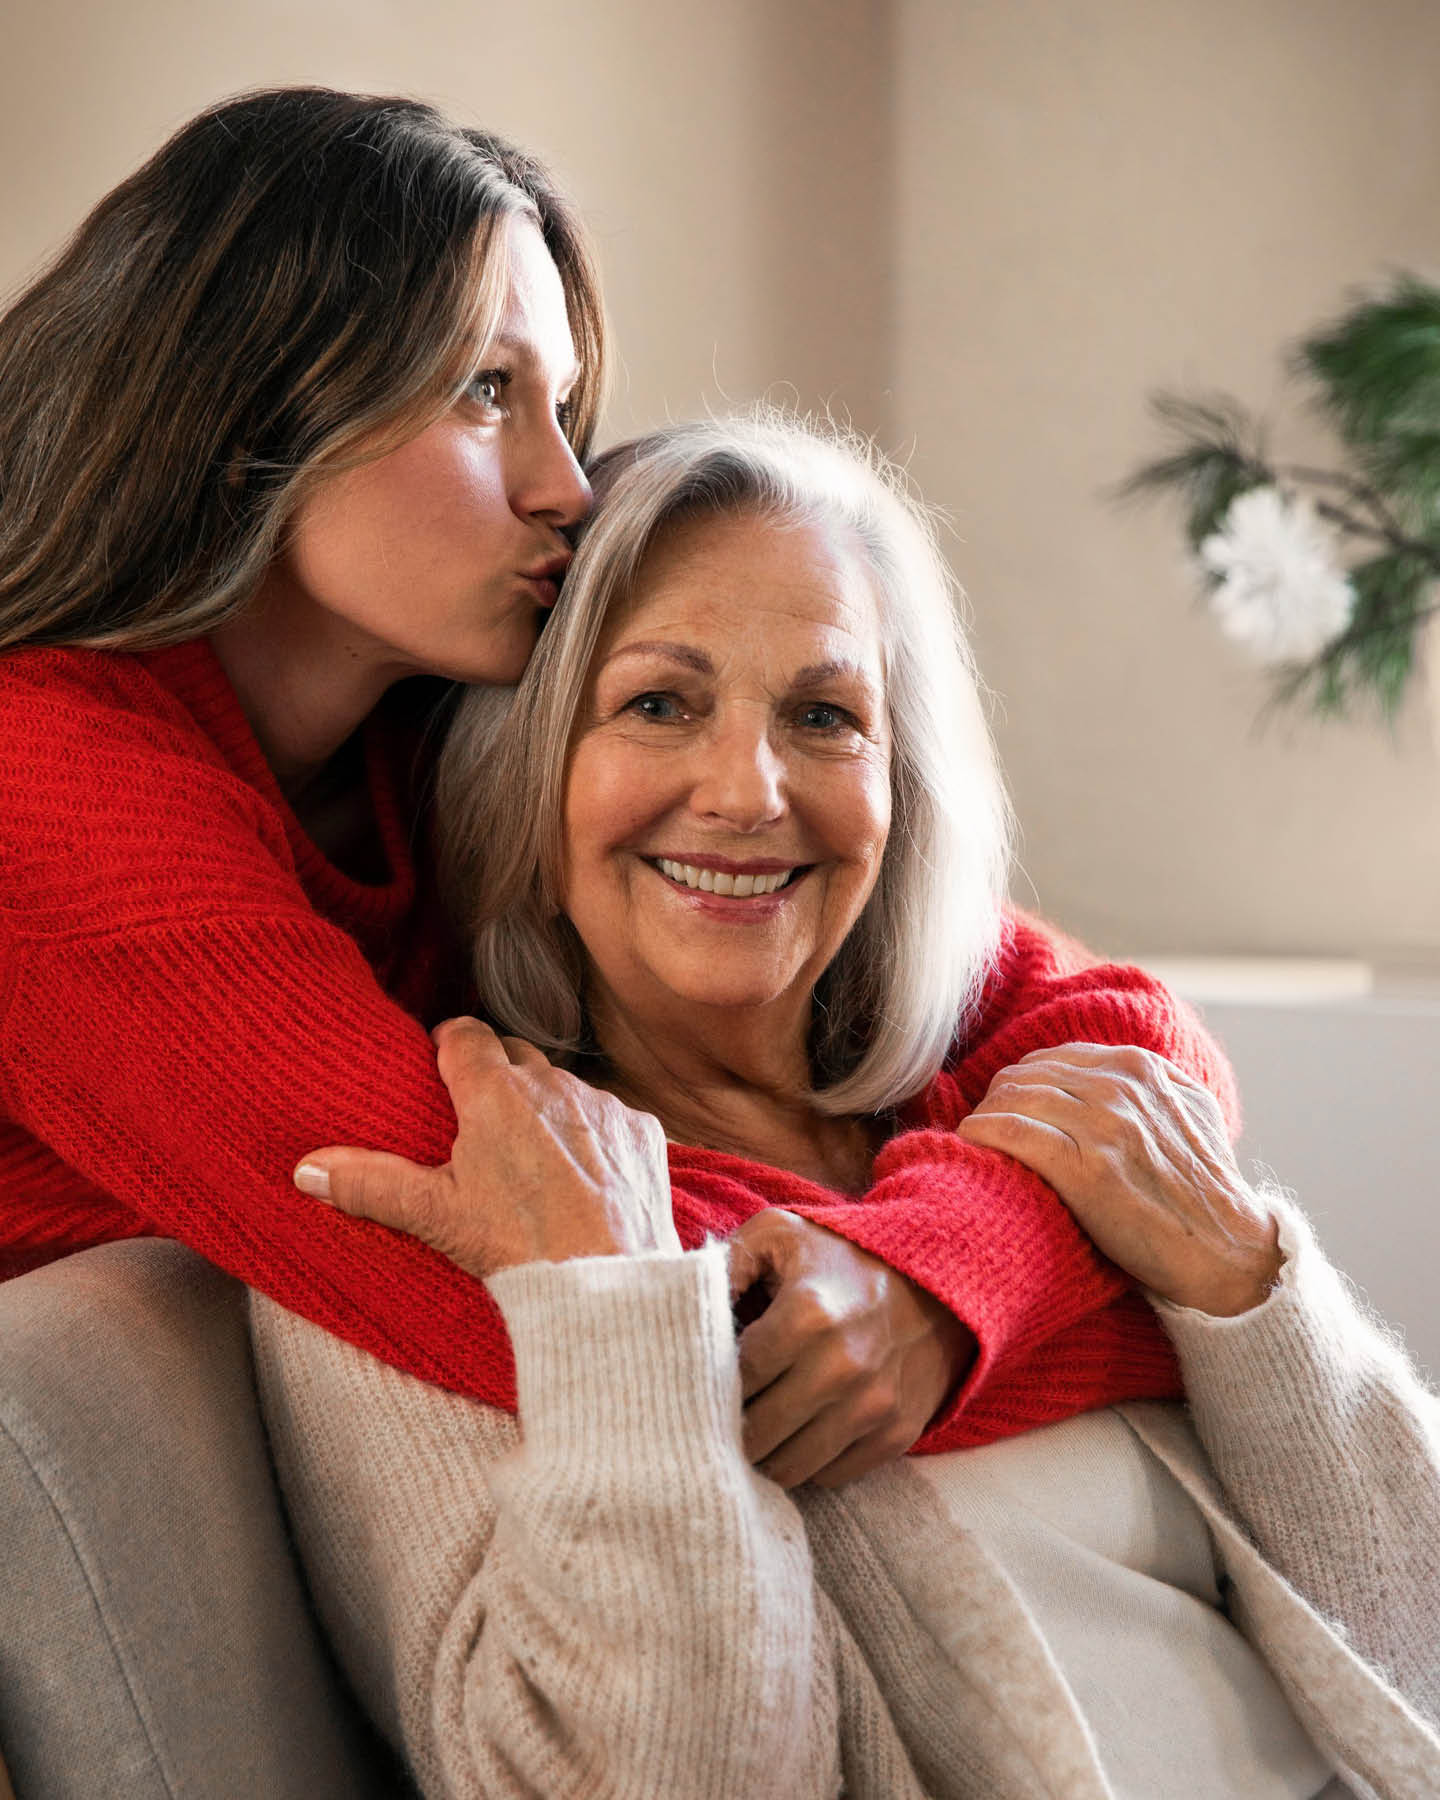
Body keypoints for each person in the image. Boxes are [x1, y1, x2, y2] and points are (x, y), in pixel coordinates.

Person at [0, 86, 1226, 1486]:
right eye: (487, 392)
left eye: (566, 408)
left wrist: (953, 1271)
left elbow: (1122, 1037)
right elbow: (625, 1313)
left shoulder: (423, 739)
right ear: (247, 410)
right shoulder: (44, 790)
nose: (569, 486)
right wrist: (1100, 1278)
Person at [252, 414, 1440, 1798]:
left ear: (899, 783)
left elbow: (1416, 1642)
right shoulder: (457, 1209)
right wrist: (612, 1315)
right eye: (659, 704)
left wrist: (1249, 1296)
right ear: (524, 766)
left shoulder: (1010, 1120)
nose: (750, 794)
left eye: (824, 717)